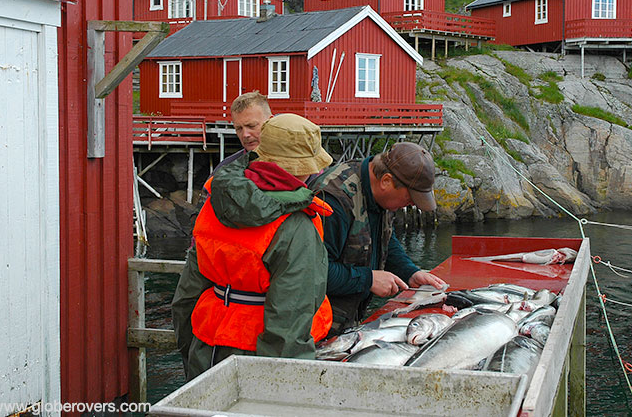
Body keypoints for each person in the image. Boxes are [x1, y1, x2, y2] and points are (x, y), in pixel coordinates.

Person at [185, 114, 335, 379]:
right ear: (304, 167)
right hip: (258, 356)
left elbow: (188, 293)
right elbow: (289, 323)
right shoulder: (295, 225)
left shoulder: (214, 204)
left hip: (206, 348)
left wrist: (190, 348)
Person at [170, 91, 271, 377]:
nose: (246, 134)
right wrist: (196, 252)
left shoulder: (290, 166)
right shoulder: (226, 168)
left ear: (270, 120)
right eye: (238, 128)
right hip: (209, 257)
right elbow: (203, 218)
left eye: (252, 125)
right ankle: (194, 375)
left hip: (255, 267)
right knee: (183, 311)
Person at [309, 141, 447, 336]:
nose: (412, 205)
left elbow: (386, 239)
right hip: (315, 326)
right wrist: (369, 279)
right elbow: (312, 273)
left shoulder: (380, 194)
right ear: (386, 181)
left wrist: (409, 272)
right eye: (410, 198)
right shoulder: (333, 200)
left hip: (344, 322)